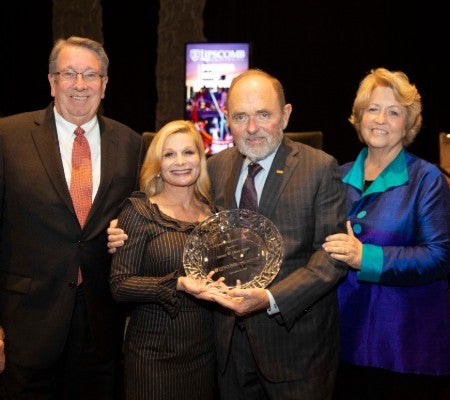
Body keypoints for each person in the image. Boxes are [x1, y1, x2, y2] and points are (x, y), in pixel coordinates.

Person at [109, 69, 349, 400]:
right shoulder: (217, 168)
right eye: (240, 117)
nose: (252, 128)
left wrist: (270, 299)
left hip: (294, 352)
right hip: (226, 352)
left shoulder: (320, 168)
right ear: (227, 120)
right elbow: (190, 228)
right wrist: (122, 232)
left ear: (286, 114)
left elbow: (332, 259)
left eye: (263, 114)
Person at [0, 36, 143, 399]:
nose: (80, 85)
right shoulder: (7, 137)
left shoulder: (130, 144)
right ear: (51, 81)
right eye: (69, 74)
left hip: (100, 326)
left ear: (105, 84)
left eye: (91, 75)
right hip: (27, 323)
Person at [321, 67, 450, 400]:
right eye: (373, 109)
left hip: (406, 347)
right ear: (359, 116)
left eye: (394, 112)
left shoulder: (428, 179)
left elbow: (439, 256)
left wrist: (366, 257)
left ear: (408, 124)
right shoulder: (335, 175)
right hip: (342, 339)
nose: (380, 119)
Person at [109, 120, 218, 400]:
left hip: (205, 356)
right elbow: (120, 285)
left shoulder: (216, 214)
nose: (180, 162)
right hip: (153, 358)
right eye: (169, 154)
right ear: (158, 163)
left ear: (200, 158)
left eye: (188, 152)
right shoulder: (140, 210)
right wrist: (177, 284)